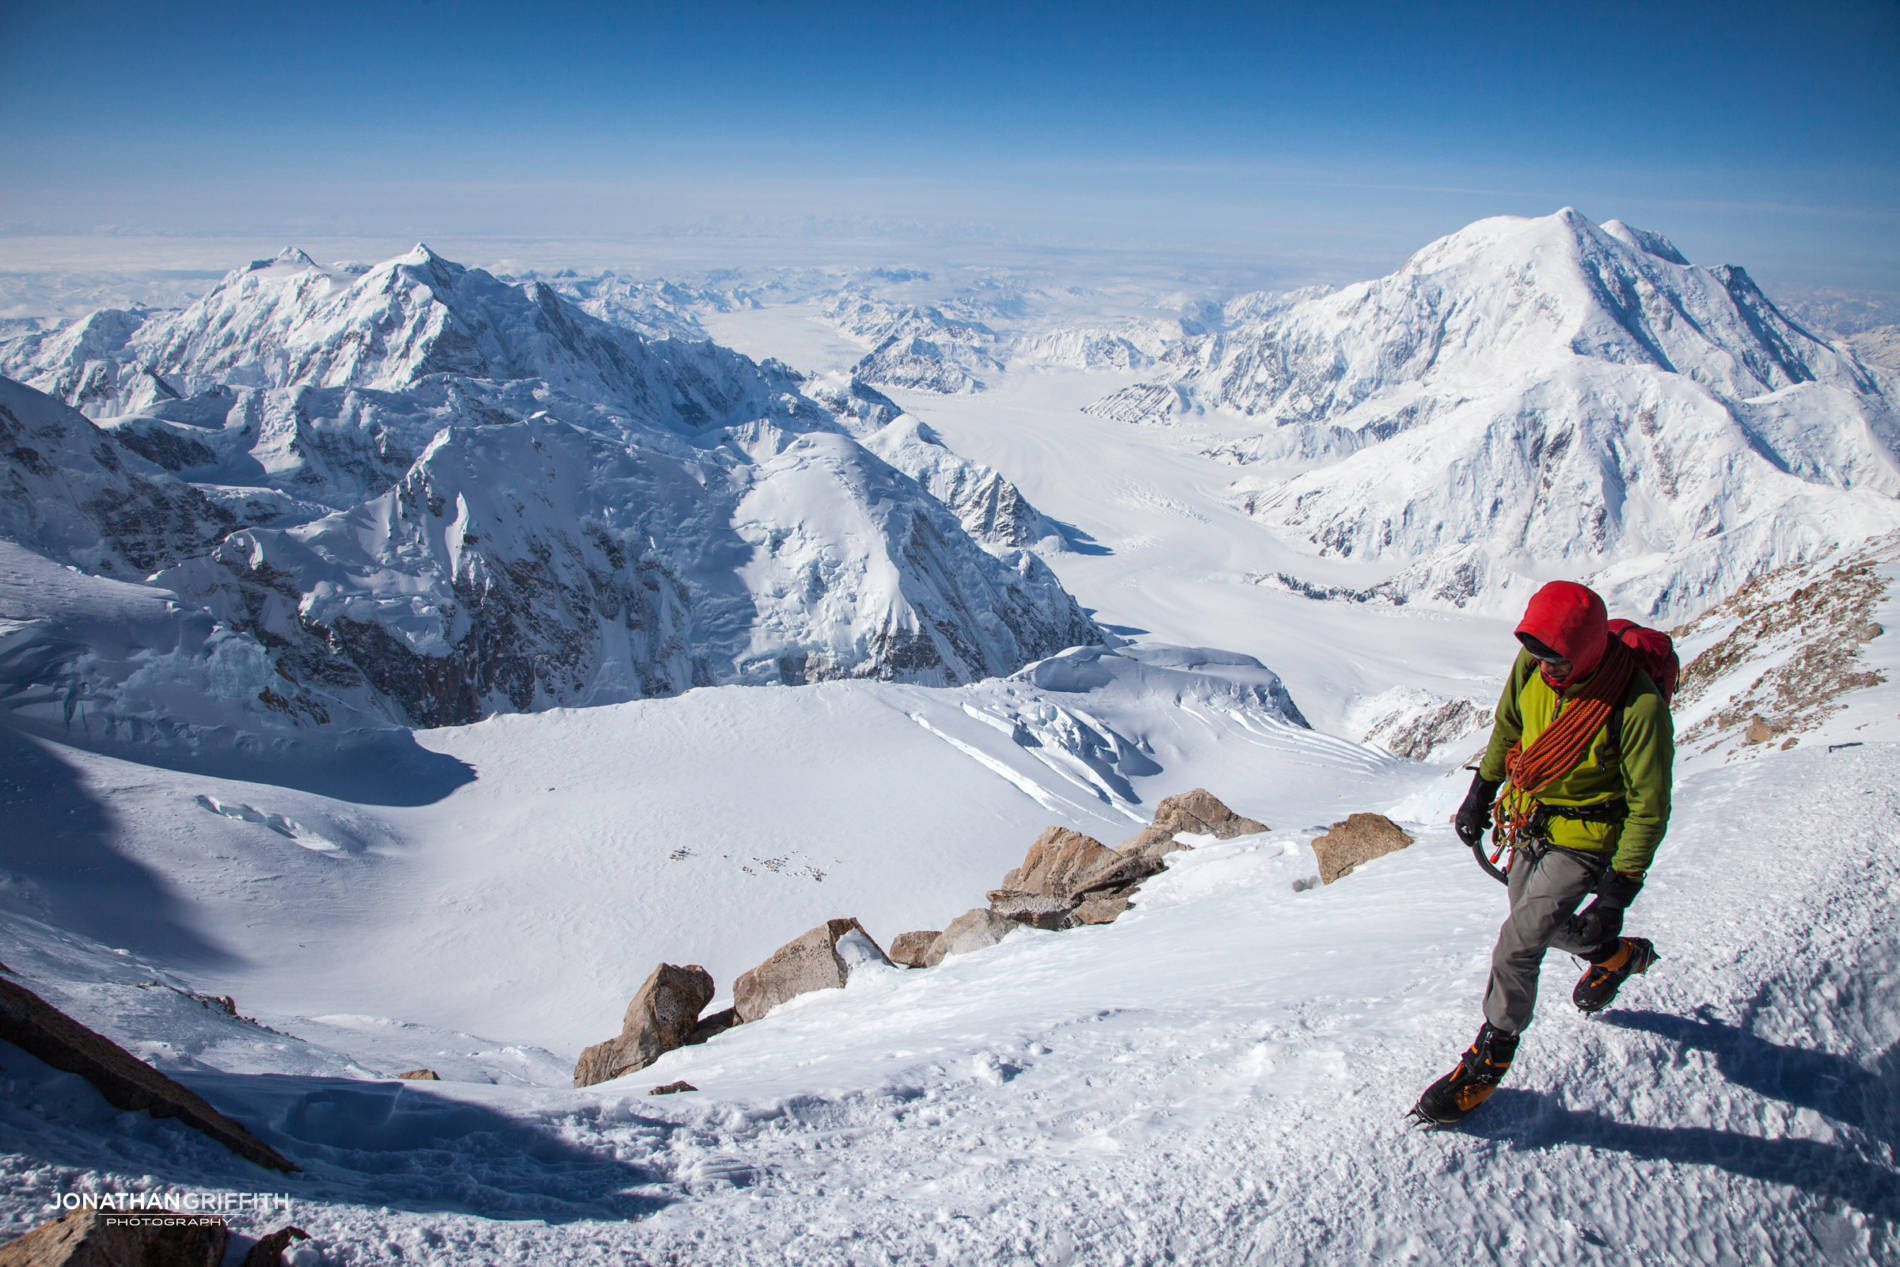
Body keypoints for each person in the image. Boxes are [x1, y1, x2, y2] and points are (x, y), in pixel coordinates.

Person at [1412, 580, 1674, 1126]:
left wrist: (1616, 893)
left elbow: (1648, 808)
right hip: (1531, 815)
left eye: (1558, 660)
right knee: (1537, 927)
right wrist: (1481, 792)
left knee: (1518, 942)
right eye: (1539, 656)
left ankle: (1490, 1056)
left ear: (1587, 650)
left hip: (1588, 837)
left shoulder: (1639, 706)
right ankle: (1615, 957)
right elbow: (1509, 726)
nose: (1546, 668)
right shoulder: (1534, 664)